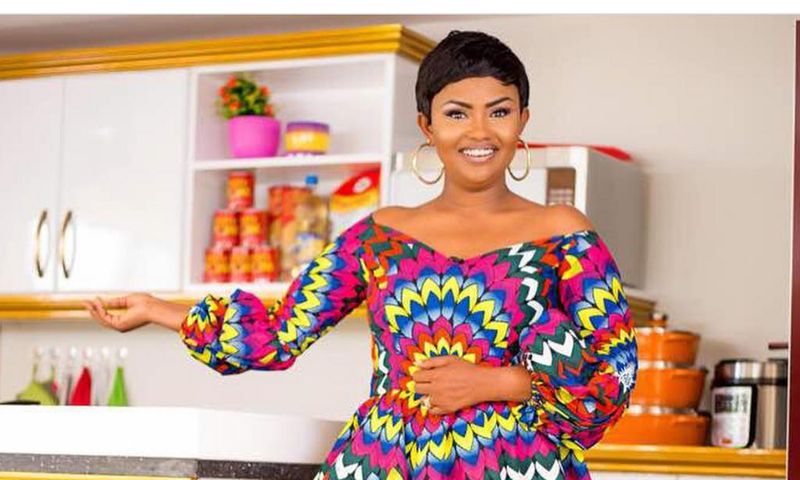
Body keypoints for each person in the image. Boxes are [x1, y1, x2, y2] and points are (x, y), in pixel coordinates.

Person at [85, 30, 637, 480]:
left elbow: (614, 373)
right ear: (426, 126)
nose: (479, 131)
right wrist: (157, 310)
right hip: (384, 463)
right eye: (456, 113)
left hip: (518, 466)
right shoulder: (379, 235)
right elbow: (279, 334)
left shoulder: (563, 235)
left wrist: (499, 383)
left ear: (522, 122)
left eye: (498, 111)